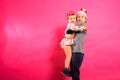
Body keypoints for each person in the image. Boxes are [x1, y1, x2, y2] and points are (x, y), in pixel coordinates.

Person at [70, 8, 87, 80]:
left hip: (78, 52)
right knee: (73, 69)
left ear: (85, 20)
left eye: (82, 17)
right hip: (73, 51)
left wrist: (70, 25)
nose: (80, 18)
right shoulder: (76, 27)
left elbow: (74, 28)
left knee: (74, 68)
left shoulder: (82, 25)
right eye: (78, 16)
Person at [60, 11, 76, 76]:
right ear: (68, 20)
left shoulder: (70, 25)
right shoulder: (71, 25)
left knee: (69, 56)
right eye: (70, 18)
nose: (72, 20)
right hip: (66, 43)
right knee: (69, 56)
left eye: (74, 18)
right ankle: (65, 69)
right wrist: (81, 28)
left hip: (67, 42)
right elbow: (73, 31)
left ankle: (67, 68)